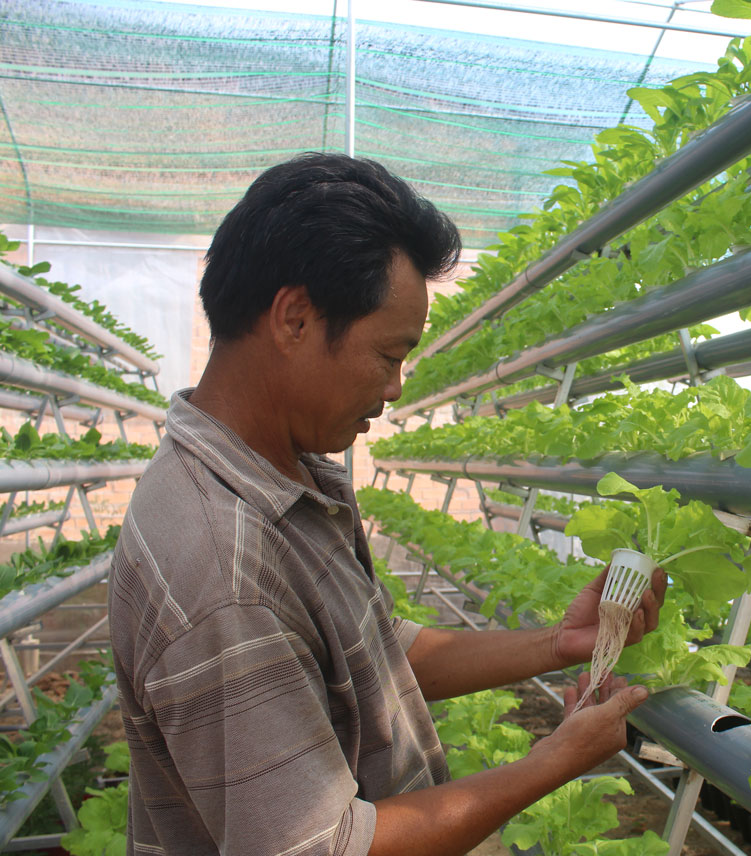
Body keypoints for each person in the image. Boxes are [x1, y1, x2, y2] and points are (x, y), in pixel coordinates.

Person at [108, 152, 666, 856]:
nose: (398, 386)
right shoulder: (224, 566)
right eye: (389, 354)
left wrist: (557, 646)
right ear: (295, 319)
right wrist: (552, 761)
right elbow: (323, 847)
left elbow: (373, 651)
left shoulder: (288, 475)